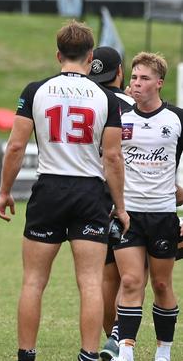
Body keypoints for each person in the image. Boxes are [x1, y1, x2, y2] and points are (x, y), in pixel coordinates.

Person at [0, 20, 128, 361]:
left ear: (58, 55)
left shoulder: (35, 90)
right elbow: (112, 157)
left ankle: (26, 354)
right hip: (89, 192)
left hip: (49, 188)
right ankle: (87, 353)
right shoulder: (105, 97)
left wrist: (4, 191)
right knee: (89, 281)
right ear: (90, 57)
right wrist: (121, 206)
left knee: (34, 281)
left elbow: (14, 147)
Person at [111, 52, 181, 361]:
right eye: (134, 77)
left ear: (159, 83)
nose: (136, 84)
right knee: (130, 280)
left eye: (144, 79)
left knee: (162, 283)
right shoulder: (120, 117)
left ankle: (163, 351)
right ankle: (126, 350)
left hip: (164, 214)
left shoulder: (177, 118)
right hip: (128, 214)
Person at [87, 46, 136, 361]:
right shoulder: (132, 104)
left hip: (90, 198)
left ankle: (112, 339)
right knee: (130, 276)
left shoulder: (85, 100)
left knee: (104, 275)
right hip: (130, 198)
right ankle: (120, 338)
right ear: (120, 72)